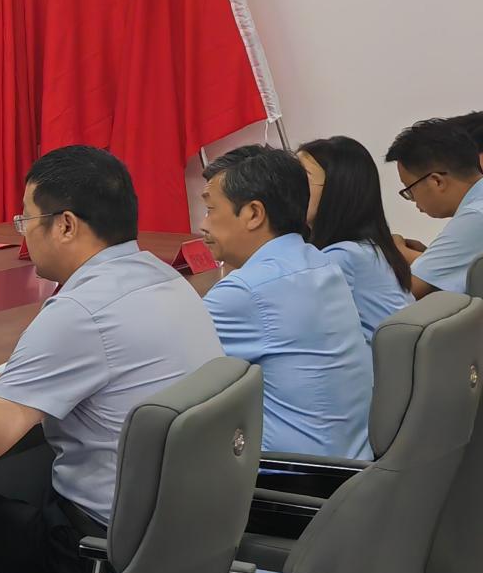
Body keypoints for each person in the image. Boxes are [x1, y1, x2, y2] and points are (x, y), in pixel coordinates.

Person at [0, 147, 222, 573]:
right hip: (183, 533)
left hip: (99, 550)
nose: (24, 234)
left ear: (66, 225)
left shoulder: (80, 310)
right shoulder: (163, 277)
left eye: (26, 219)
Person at [198, 145, 371, 459]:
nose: (203, 224)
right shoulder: (320, 262)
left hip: (293, 474)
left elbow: (173, 371)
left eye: (211, 209)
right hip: (352, 461)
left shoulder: (245, 291)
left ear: (254, 214)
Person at [299, 136, 412, 342]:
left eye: (301, 179)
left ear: (338, 189)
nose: (289, 189)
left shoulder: (340, 257)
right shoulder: (368, 246)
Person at [388, 116, 483, 298]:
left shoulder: (475, 216)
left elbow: (407, 292)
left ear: (436, 181)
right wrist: (427, 255)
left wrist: (396, 251)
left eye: (409, 190)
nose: (413, 201)